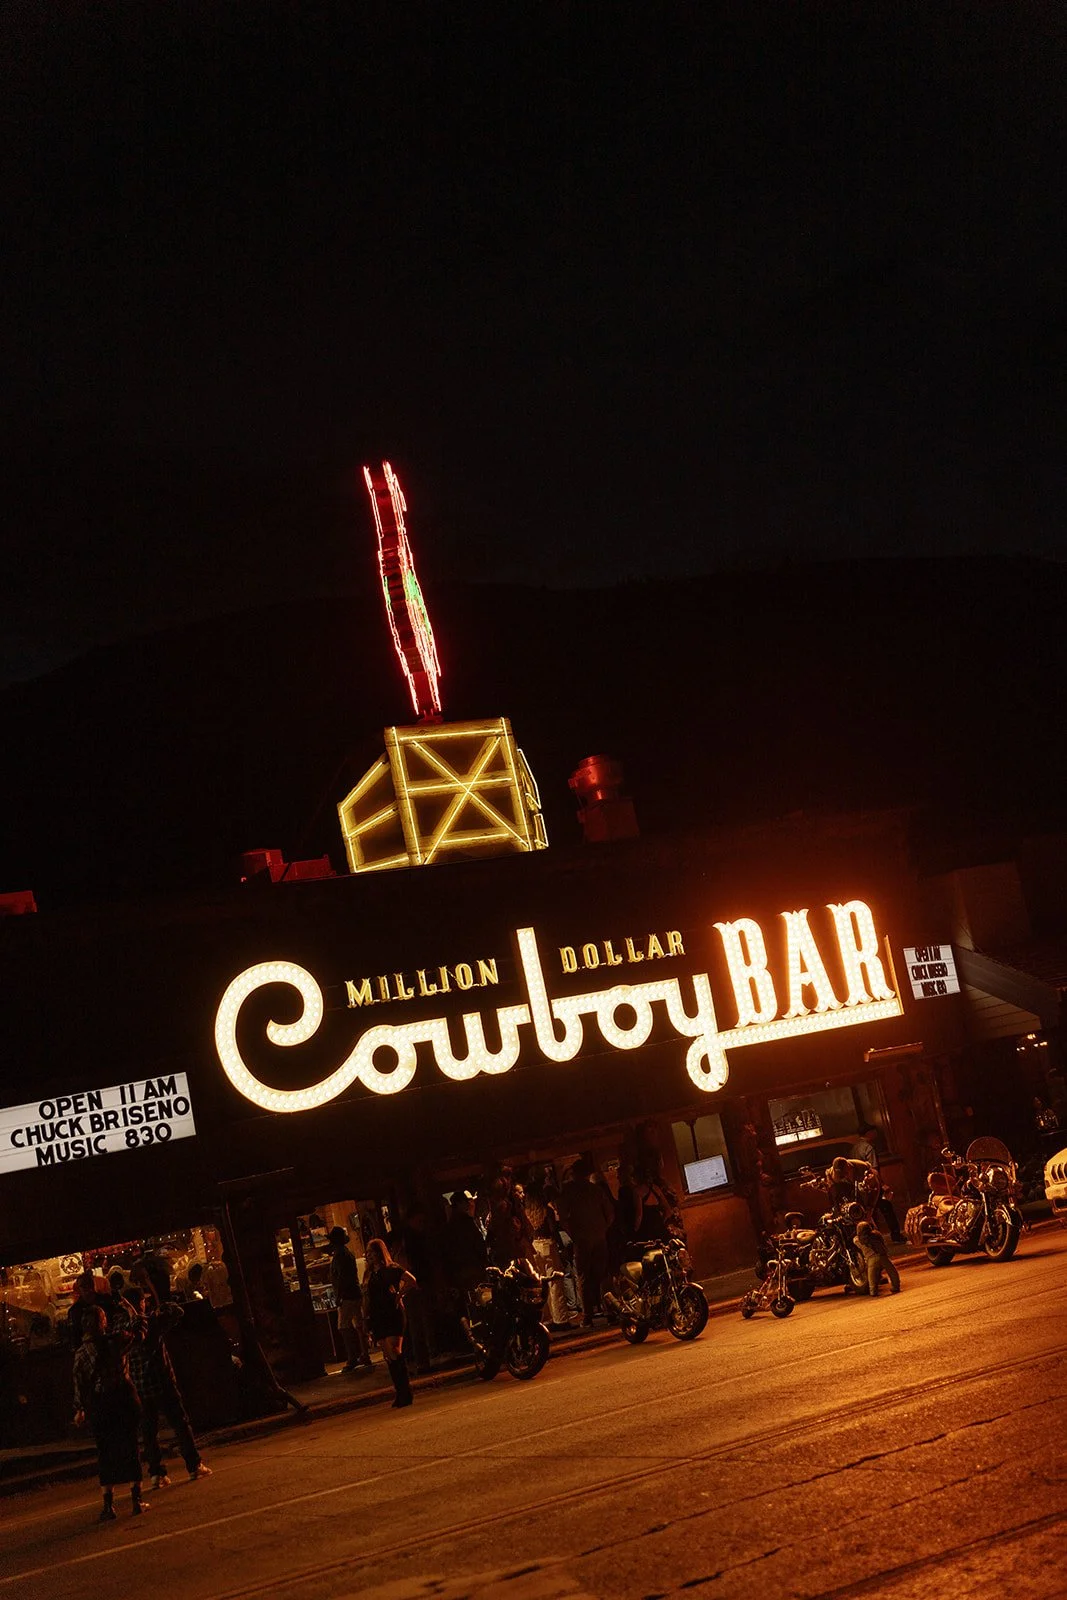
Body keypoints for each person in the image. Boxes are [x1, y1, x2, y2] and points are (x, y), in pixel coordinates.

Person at [114, 1270, 211, 1488]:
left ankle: (157, 1474)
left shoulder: (122, 1329)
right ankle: (194, 1466)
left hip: (140, 1388)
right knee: (180, 1424)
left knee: (149, 1433)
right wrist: (155, 1304)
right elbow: (177, 1312)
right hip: (162, 1383)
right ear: (140, 1303)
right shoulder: (151, 1323)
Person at [72, 1305, 146, 1521]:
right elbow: (140, 1335)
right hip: (123, 1399)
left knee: (105, 1452)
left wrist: (79, 1409)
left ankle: (108, 1505)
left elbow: (79, 1384)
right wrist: (135, 1312)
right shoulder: (117, 1341)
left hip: (101, 1404)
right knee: (131, 1447)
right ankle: (137, 1500)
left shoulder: (81, 1354)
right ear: (103, 1323)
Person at [559, 1159, 615, 1324]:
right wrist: (603, 1228)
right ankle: (610, 1310)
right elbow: (610, 1213)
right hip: (599, 1236)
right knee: (603, 1274)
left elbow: (563, 1219)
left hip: (581, 1239)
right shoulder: (596, 1190)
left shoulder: (568, 1192)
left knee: (583, 1277)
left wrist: (573, 1234)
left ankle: (588, 1315)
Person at [362, 1238, 415, 1409]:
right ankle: (399, 1391)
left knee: (394, 1350)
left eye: (371, 1252)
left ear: (379, 1252)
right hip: (378, 1316)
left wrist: (399, 1295)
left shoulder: (392, 1269)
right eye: (367, 1252)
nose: (368, 1255)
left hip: (392, 1313)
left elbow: (411, 1280)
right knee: (388, 1354)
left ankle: (405, 1391)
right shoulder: (369, 1273)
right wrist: (365, 1317)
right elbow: (367, 1296)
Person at [395, 1205, 437, 1373]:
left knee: (419, 1322)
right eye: (419, 1220)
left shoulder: (410, 1237)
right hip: (416, 1284)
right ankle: (424, 1359)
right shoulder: (411, 1239)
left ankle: (423, 1358)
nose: (422, 1223)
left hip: (417, 1283)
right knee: (419, 1323)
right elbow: (414, 1262)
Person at [328, 1226, 372, 1373]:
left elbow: (341, 1278)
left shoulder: (339, 1256)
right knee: (359, 1325)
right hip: (354, 1293)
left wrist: (339, 1296)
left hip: (346, 1296)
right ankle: (364, 1354)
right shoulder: (348, 1253)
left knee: (344, 1326)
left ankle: (352, 1357)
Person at [849, 1128, 904, 1242]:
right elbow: (873, 1169)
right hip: (872, 1185)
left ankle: (872, 1238)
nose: (876, 1134)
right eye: (874, 1132)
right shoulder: (869, 1148)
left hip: (859, 1187)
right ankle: (896, 1235)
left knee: (869, 1213)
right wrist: (882, 1184)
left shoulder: (854, 1148)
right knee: (886, 1208)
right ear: (869, 1133)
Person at [854, 1221, 901, 1297]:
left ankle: (873, 1291)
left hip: (871, 1260)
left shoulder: (858, 1240)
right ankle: (896, 1286)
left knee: (871, 1276)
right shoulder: (876, 1234)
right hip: (883, 1256)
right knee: (892, 1271)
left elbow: (855, 1241)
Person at [67, 1268, 114, 1344]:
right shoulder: (75, 1310)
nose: (87, 1288)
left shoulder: (105, 1300)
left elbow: (113, 1320)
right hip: (88, 1346)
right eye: (83, 1286)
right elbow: (75, 1335)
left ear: (92, 1285)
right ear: (79, 1289)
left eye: (88, 1284)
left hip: (109, 1342)